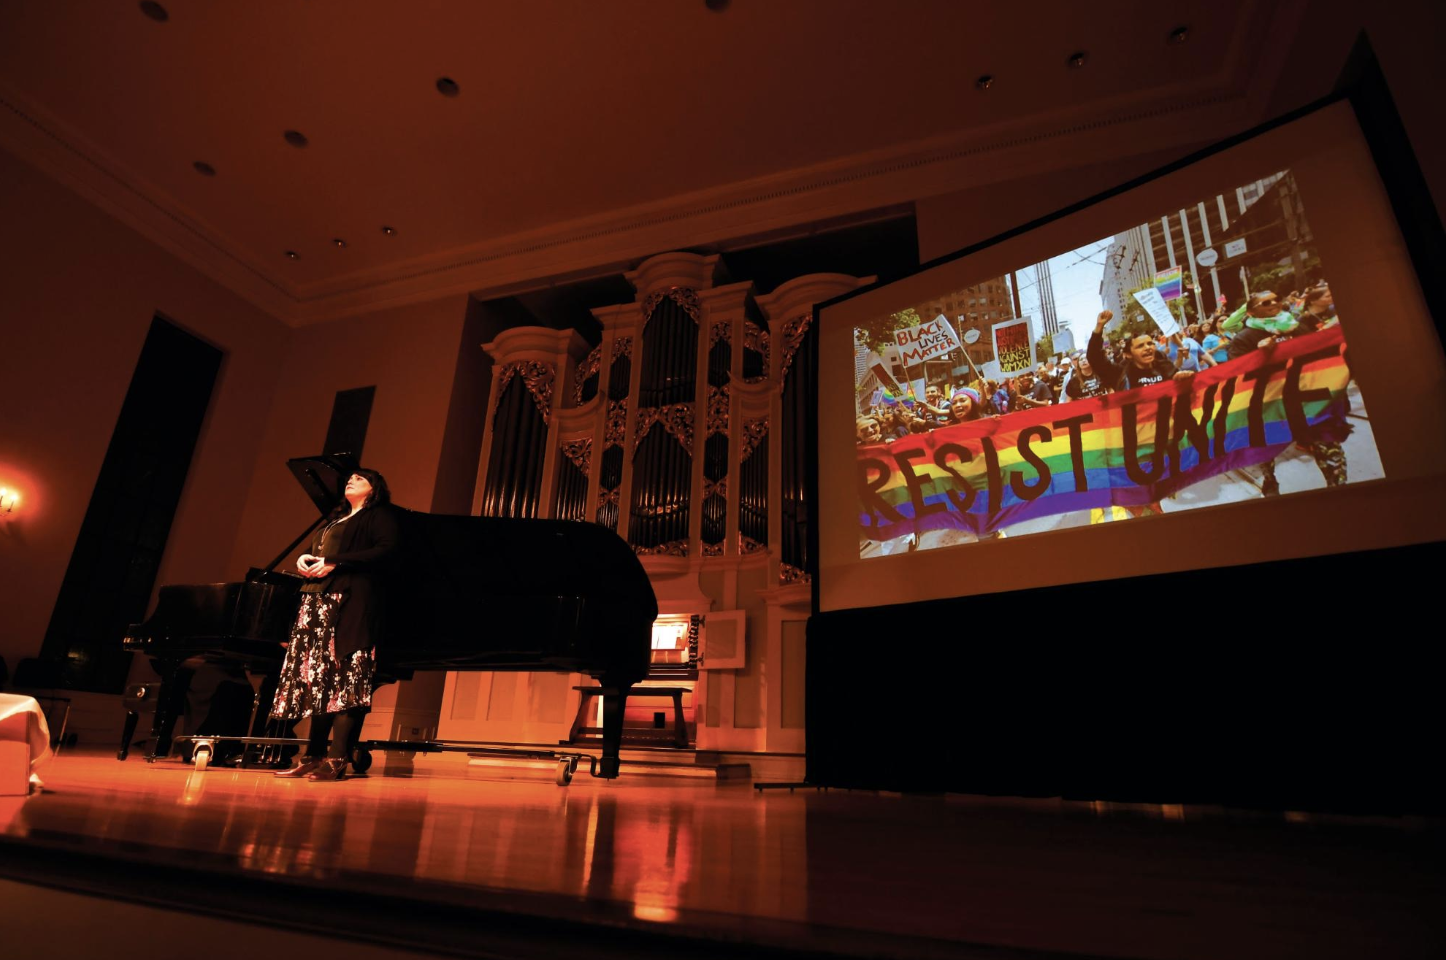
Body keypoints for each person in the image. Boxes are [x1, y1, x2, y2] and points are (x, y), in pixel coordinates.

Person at [271, 469, 400, 782]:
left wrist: (336, 561)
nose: (351, 480)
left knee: (347, 678)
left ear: (375, 488)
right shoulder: (334, 520)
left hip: (351, 603)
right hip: (318, 601)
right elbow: (322, 556)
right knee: (320, 679)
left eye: (360, 478)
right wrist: (306, 559)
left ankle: (337, 758)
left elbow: (386, 549)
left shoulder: (379, 515)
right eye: (350, 478)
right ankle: (312, 757)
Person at [1086, 310, 1194, 391]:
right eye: (1140, 346)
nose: (1147, 348)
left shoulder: (1165, 367)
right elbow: (1094, 357)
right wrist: (1099, 326)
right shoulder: (1120, 375)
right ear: (1128, 354)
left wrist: (1180, 377)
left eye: (1150, 343)